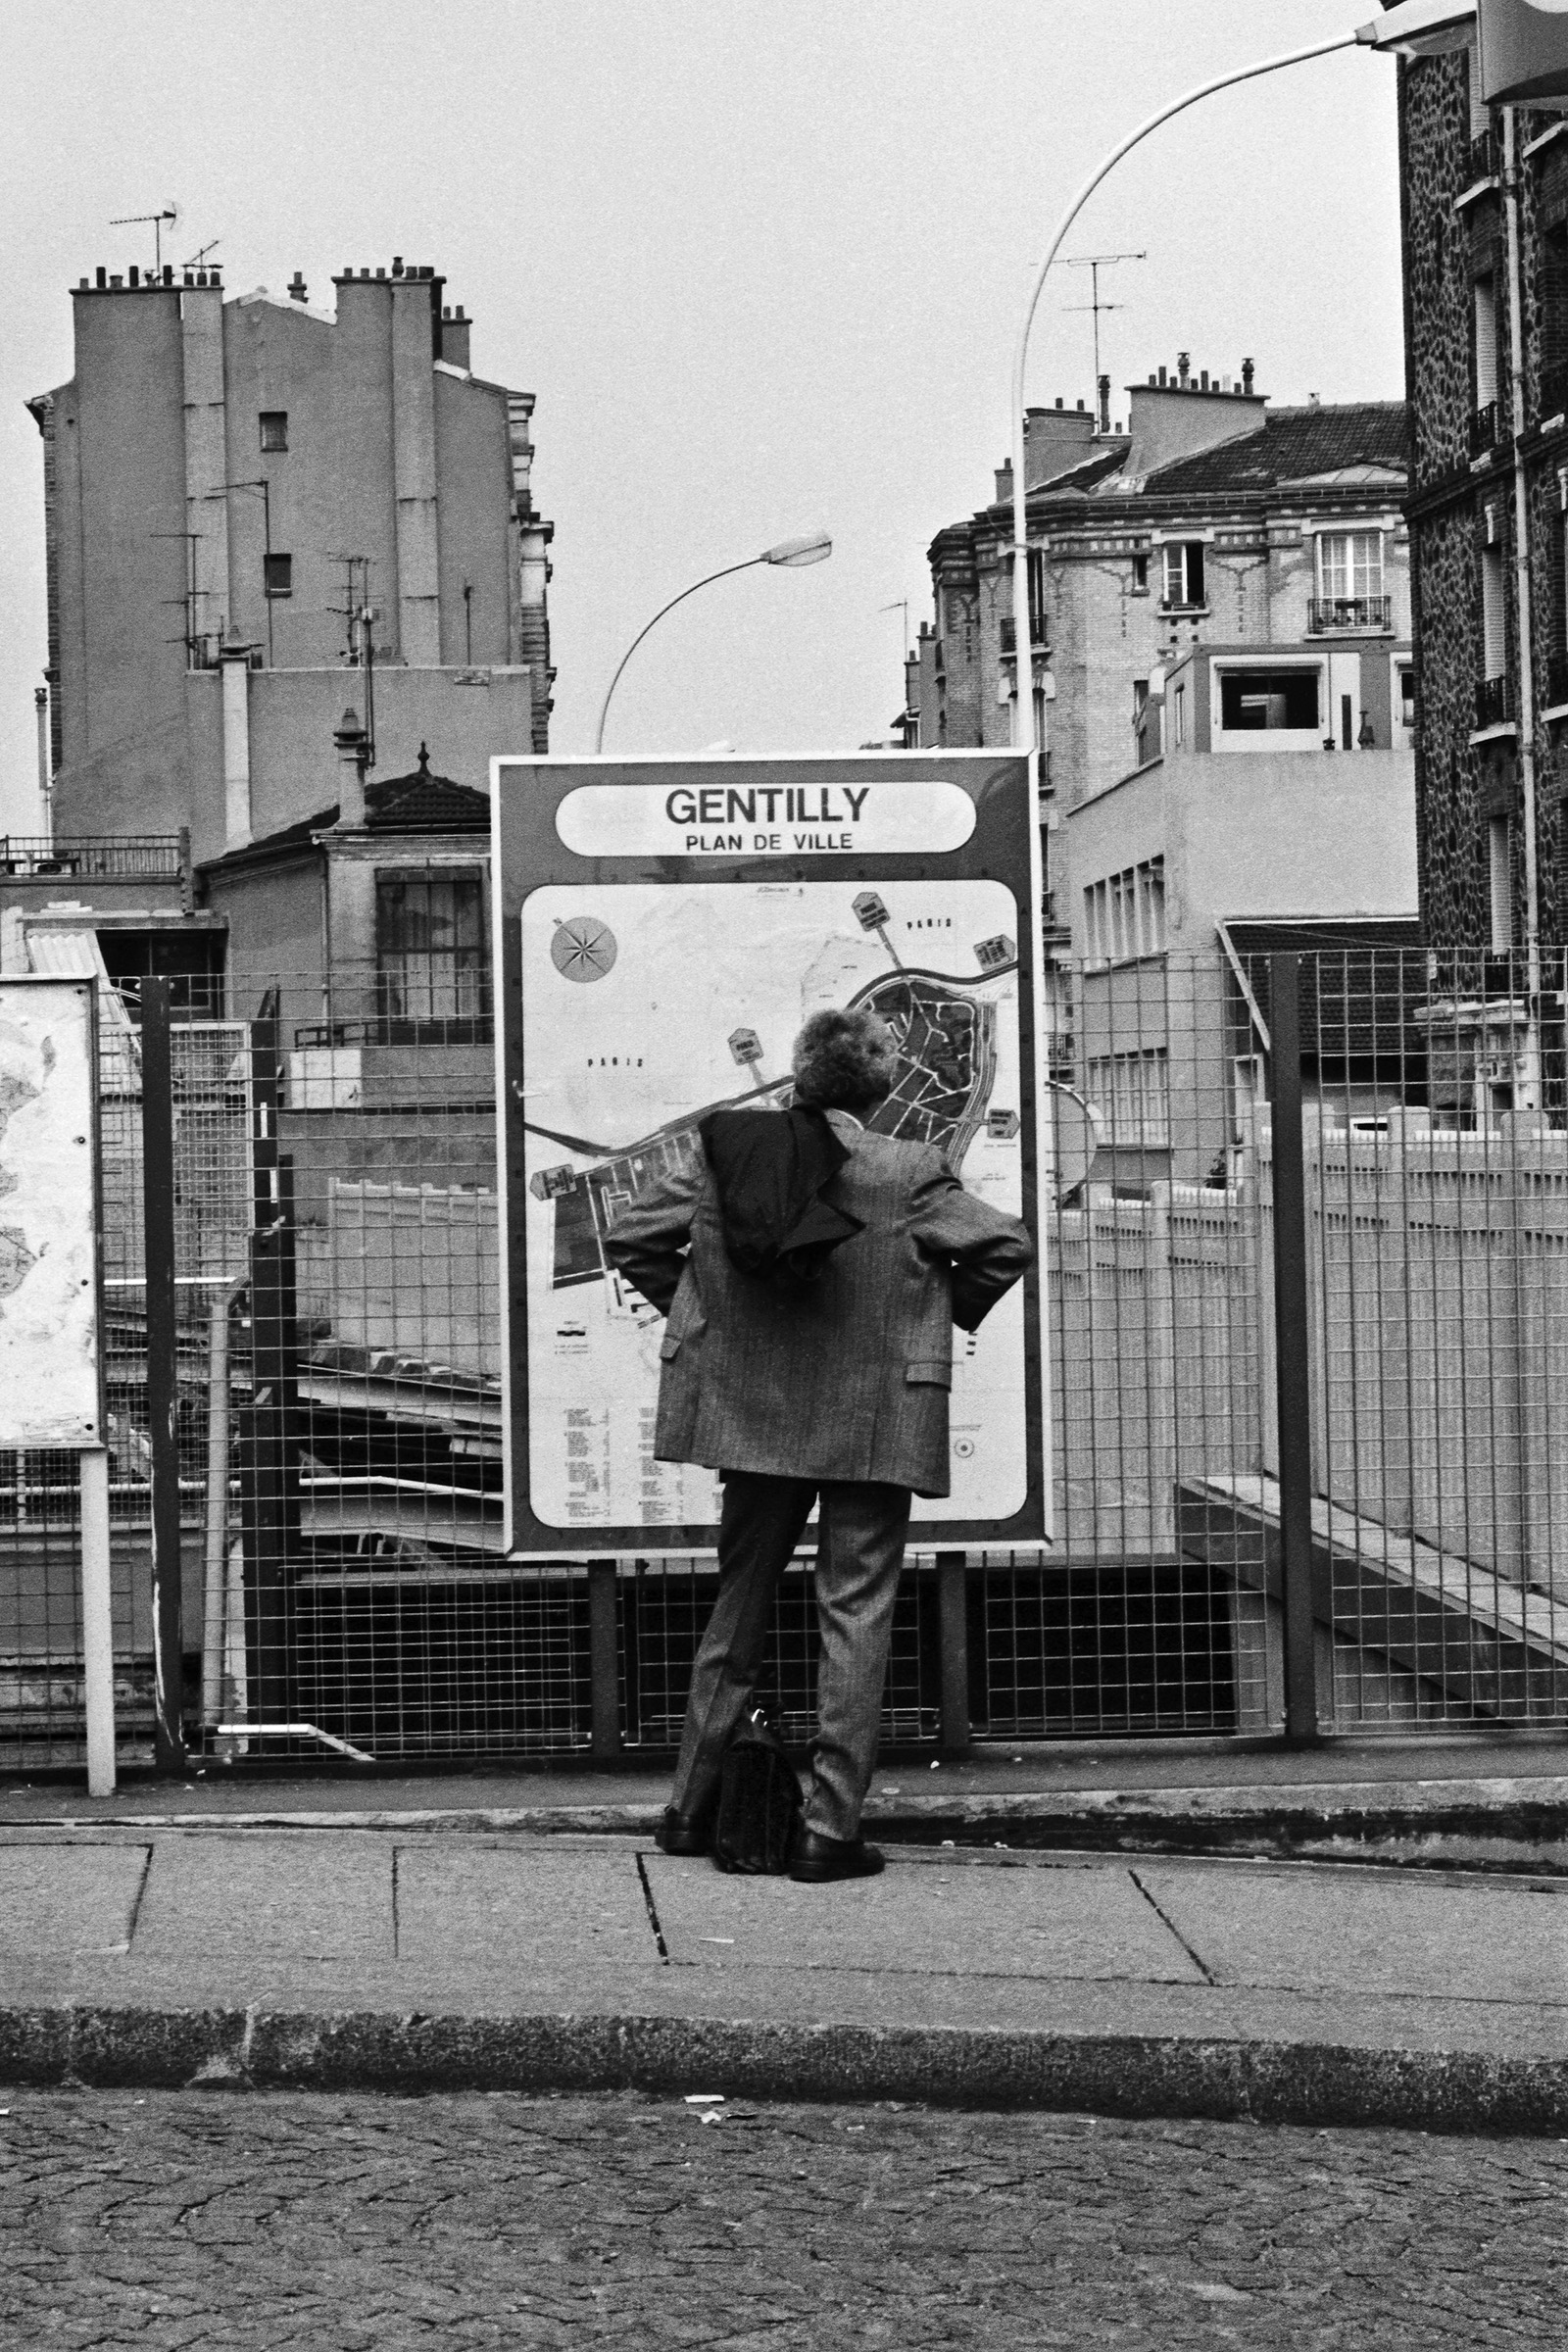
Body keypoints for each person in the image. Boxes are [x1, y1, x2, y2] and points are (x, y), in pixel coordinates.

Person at [604, 1004, 1034, 1883]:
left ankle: (689, 1809)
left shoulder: (723, 1152)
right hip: (871, 1417)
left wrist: (712, 1318)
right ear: (878, 1090)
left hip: (751, 1412)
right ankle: (827, 1831)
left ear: (801, 1074)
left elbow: (633, 1239)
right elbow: (1003, 1247)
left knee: (739, 1603)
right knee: (856, 1609)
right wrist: (921, 1316)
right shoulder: (907, 1169)